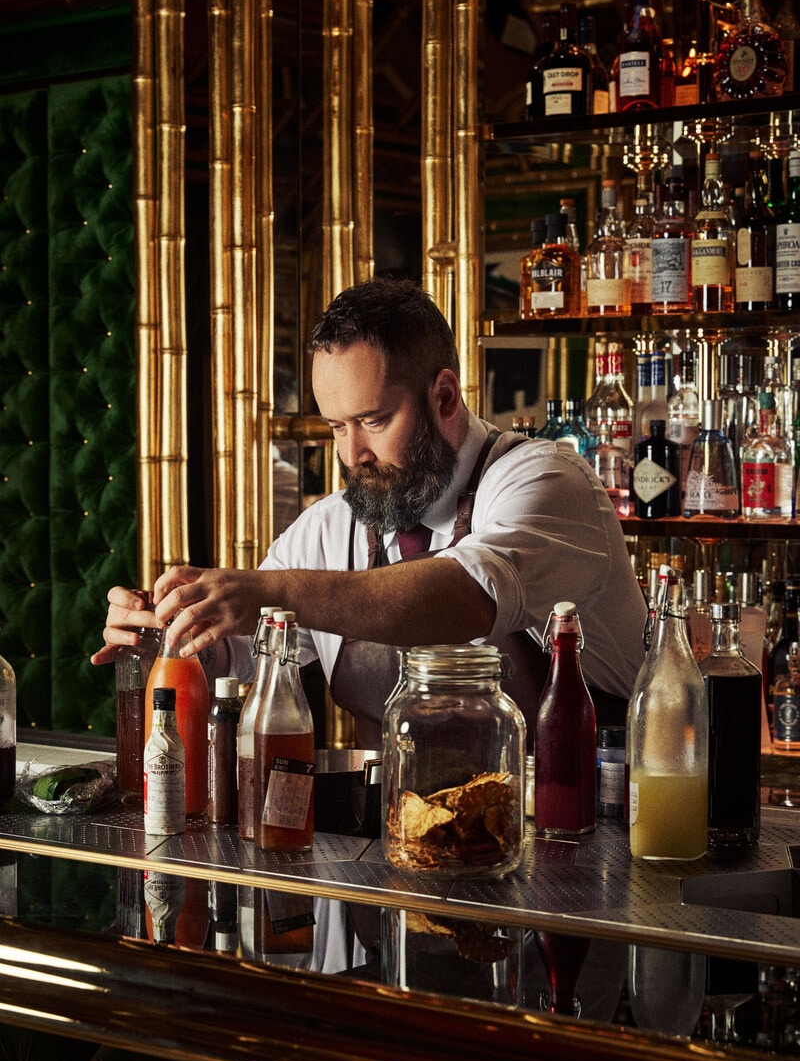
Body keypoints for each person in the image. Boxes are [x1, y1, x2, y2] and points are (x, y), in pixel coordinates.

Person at [92, 276, 646, 746]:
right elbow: (240, 655)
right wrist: (172, 634)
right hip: (393, 829)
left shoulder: (544, 481)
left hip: (571, 824)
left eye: (374, 421)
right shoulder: (331, 526)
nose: (352, 454)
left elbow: (466, 595)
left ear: (444, 397)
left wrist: (274, 591)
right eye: (337, 426)